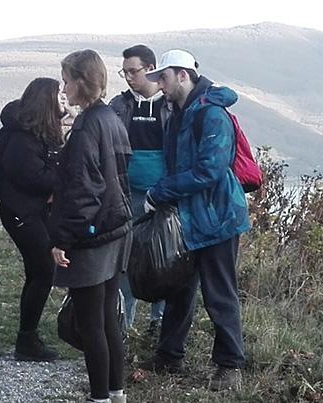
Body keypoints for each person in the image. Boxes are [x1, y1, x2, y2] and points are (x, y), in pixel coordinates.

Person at [139, 49, 251, 392]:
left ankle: (230, 367)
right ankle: (169, 355)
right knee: (178, 288)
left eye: (164, 77)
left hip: (217, 218)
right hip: (190, 217)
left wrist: (161, 192)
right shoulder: (179, 113)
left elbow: (210, 171)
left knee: (220, 293)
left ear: (183, 75)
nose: (159, 83)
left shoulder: (211, 114)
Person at [50, 49, 132, 403]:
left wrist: (62, 239)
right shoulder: (112, 118)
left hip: (91, 235)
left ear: (83, 82)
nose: (64, 88)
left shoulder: (86, 127)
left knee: (90, 323)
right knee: (108, 318)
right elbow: (121, 173)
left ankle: (99, 397)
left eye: (67, 80)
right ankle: (117, 393)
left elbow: (82, 189)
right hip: (116, 229)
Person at [0, 77, 68, 361]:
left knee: (38, 272)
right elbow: (32, 177)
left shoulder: (38, 132)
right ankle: (26, 340)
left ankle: (27, 337)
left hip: (30, 211)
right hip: (21, 212)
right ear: (45, 101)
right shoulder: (23, 137)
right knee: (43, 271)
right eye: (58, 96)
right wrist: (62, 182)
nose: (63, 99)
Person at [107, 44, 169, 334]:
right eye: (125, 72)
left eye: (134, 71)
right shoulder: (119, 106)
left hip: (165, 194)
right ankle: (124, 322)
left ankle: (159, 320)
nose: (129, 77)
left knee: (166, 255)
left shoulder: (170, 104)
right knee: (126, 258)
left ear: (151, 68)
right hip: (127, 193)